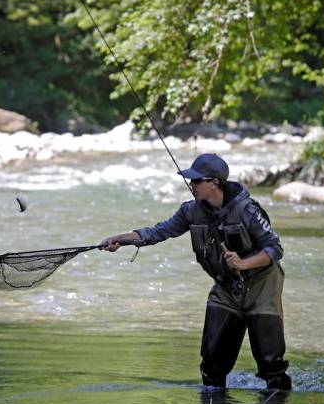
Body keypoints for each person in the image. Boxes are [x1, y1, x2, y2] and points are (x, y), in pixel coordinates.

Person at [101, 153, 291, 391]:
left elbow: (275, 249)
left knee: (270, 365)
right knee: (211, 366)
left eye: (197, 181)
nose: (191, 185)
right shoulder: (190, 211)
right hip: (226, 286)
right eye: (190, 181)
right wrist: (122, 239)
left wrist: (243, 263)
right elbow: (158, 232)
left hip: (262, 284)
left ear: (215, 183)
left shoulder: (247, 211)